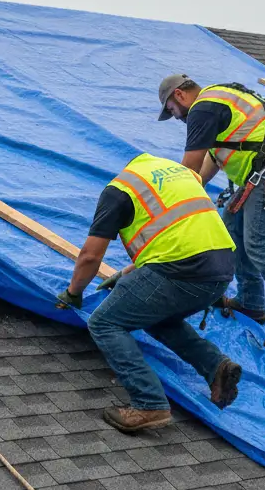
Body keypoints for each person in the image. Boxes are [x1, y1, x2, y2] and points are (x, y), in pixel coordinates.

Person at [56, 152, 242, 432]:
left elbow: (89, 257)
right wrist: (127, 273)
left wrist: (73, 293)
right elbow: (176, 232)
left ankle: (148, 403)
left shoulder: (118, 191)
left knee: (105, 322)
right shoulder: (175, 173)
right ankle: (216, 366)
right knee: (155, 315)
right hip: (221, 271)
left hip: (183, 270)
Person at [157, 73, 265, 354]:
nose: (176, 117)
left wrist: (174, 206)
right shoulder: (217, 102)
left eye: (172, 111)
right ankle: (251, 302)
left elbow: (189, 166)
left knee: (260, 245)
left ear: (179, 95)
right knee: (232, 230)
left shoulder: (203, 108)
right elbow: (210, 160)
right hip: (262, 173)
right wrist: (195, 191)